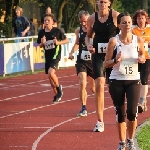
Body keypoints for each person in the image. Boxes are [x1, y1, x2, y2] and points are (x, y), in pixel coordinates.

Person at [104, 12, 145, 150]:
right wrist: (116, 60)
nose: (127, 25)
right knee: (120, 113)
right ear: (119, 25)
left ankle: (130, 140)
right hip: (117, 80)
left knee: (132, 112)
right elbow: (106, 63)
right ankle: (122, 142)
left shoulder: (138, 40)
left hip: (133, 80)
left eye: (129, 22)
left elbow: (143, 56)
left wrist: (141, 59)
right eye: (124, 22)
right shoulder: (113, 41)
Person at [85, 0, 119, 132]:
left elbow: (123, 33)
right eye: (100, 1)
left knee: (114, 86)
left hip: (113, 55)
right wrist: (89, 45)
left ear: (109, 4)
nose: (102, 4)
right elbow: (88, 36)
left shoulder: (116, 16)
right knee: (99, 85)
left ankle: (119, 111)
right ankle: (100, 121)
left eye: (104, 2)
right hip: (98, 55)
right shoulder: (92, 18)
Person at [37, 13, 69, 104]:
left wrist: (58, 43)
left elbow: (66, 40)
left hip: (56, 55)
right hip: (48, 56)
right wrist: (42, 43)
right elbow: (40, 45)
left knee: (51, 72)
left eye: (48, 20)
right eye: (45, 21)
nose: (46, 22)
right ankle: (57, 96)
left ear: (52, 22)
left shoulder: (57, 31)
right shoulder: (41, 33)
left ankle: (59, 90)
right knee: (50, 80)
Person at [68, 10, 95, 117]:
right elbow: (77, 44)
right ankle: (83, 107)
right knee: (82, 82)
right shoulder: (78, 31)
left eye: (85, 21)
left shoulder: (95, 30)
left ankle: (98, 102)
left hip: (93, 61)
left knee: (93, 87)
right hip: (81, 60)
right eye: (81, 22)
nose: (83, 24)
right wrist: (71, 52)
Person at [132, 9, 150, 113]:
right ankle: (141, 101)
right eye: (139, 18)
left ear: (145, 19)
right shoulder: (133, 30)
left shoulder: (149, 29)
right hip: (135, 57)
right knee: (136, 79)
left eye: (142, 18)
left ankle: (142, 102)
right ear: (136, 19)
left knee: (144, 79)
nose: (140, 20)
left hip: (147, 57)